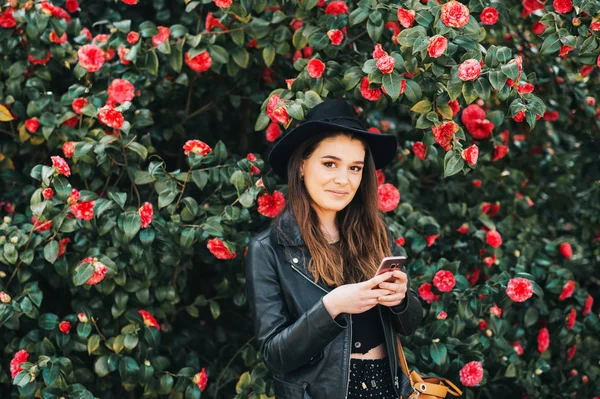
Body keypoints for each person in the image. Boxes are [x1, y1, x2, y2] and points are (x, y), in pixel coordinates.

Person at [245, 99, 422, 399]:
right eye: (330, 163)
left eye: (355, 168)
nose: (343, 180)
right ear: (302, 165)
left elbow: (410, 324)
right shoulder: (268, 249)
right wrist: (332, 307)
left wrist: (401, 299)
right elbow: (275, 355)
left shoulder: (376, 233)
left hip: (386, 389)